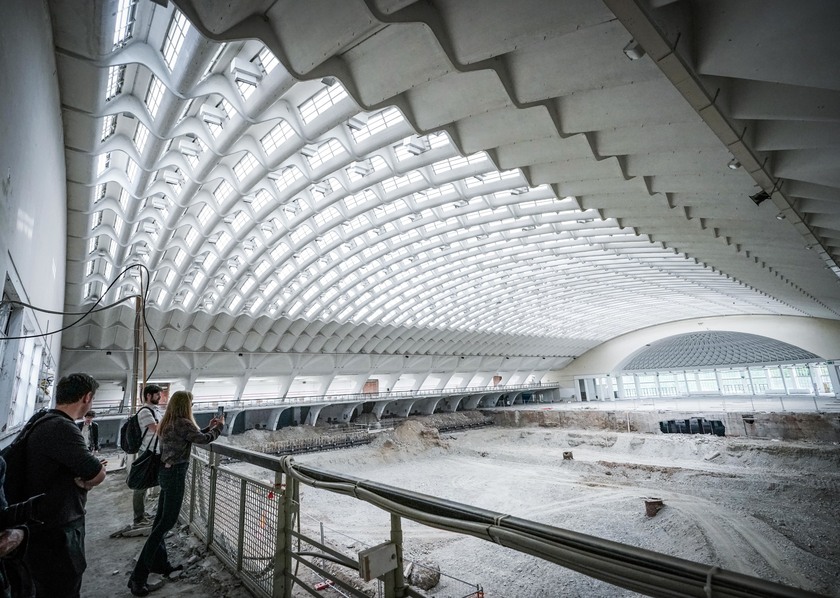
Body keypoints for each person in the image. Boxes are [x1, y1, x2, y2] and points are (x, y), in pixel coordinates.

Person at [128, 390, 223, 597]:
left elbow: (192, 435)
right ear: (186, 405)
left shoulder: (169, 420)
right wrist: (219, 429)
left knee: (160, 522)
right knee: (165, 523)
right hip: (175, 475)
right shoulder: (183, 422)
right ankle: (138, 577)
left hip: (165, 472)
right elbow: (203, 439)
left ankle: (160, 564)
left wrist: (210, 427)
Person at [20, 373, 107, 597]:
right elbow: (97, 473)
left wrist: (82, 477)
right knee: (63, 588)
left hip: (43, 523)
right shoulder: (63, 428)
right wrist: (86, 479)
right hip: (57, 529)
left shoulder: (43, 420)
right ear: (87, 397)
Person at [133, 385, 163, 526]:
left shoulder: (155, 410)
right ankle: (138, 518)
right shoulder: (145, 411)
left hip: (155, 452)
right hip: (147, 452)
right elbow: (156, 429)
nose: (160, 397)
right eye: (157, 395)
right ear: (148, 396)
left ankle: (142, 514)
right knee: (141, 486)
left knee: (148, 483)